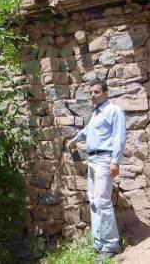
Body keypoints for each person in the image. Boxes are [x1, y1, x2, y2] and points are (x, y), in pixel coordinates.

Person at [67, 81, 126, 260]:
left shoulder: (114, 111)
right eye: (91, 92)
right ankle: (99, 242)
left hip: (104, 159)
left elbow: (119, 137)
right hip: (92, 160)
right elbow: (87, 131)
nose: (93, 95)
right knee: (93, 201)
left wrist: (115, 161)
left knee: (102, 200)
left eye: (97, 92)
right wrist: (74, 139)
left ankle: (110, 245)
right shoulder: (96, 114)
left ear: (106, 93)